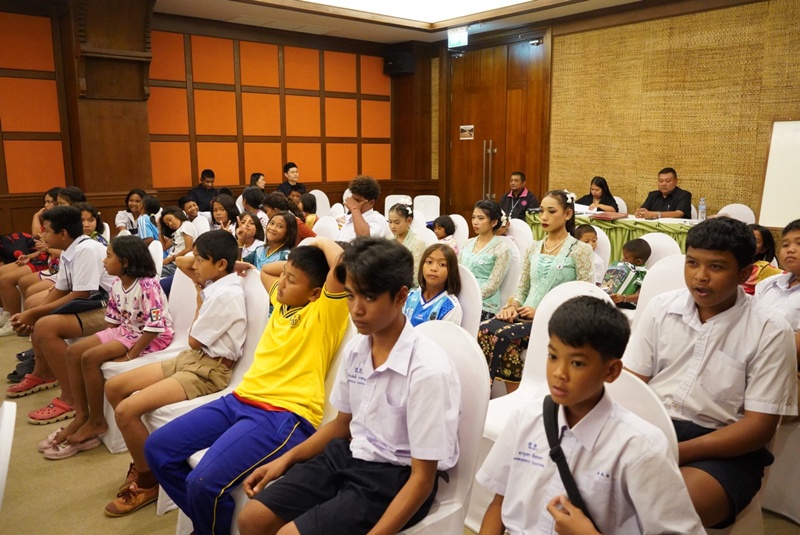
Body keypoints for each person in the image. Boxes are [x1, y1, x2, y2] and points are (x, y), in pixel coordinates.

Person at [237, 238, 460, 535]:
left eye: (369, 298)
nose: (356, 309)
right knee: (252, 518)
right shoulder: (357, 349)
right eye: (351, 296)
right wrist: (285, 460)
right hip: (350, 454)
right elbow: (342, 424)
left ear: (400, 296)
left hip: (396, 475)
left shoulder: (428, 370)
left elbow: (422, 479)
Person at [144, 237, 349, 535]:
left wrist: (318, 241)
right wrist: (290, 264)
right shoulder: (282, 301)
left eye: (292, 280)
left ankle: (206, 524)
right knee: (157, 448)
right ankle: (208, 521)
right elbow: (267, 270)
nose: (283, 282)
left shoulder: (324, 314)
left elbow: (343, 264)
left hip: (283, 414)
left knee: (202, 483)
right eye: (285, 276)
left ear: (315, 293)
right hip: (240, 399)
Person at [476, 296, 704, 535]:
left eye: (577, 363)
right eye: (553, 356)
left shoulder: (640, 448)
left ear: (611, 371)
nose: (559, 373)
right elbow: (499, 504)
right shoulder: (526, 418)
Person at [623, 217, 797, 528]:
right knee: (576, 476)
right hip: (654, 429)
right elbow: (632, 384)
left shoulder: (770, 329)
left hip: (724, 448)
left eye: (716, 267)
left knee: (663, 504)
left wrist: (676, 452)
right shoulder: (662, 308)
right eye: (692, 263)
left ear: (744, 273)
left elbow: (759, 428)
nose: (700, 276)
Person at [100, 230, 246, 516]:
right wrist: (227, 265)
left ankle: (147, 481)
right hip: (193, 358)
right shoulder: (216, 281)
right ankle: (142, 460)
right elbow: (180, 261)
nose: (195, 265)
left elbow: (193, 340)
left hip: (209, 370)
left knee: (127, 410)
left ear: (220, 265)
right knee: (114, 387)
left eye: (201, 260)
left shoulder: (226, 295)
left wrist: (200, 299)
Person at [37, 236, 174, 459]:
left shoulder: (148, 286)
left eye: (109, 256)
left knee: (90, 357)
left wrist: (130, 355)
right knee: (74, 352)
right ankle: (81, 415)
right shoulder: (118, 284)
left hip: (149, 335)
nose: (104, 261)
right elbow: (113, 320)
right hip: (127, 330)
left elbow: (154, 327)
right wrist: (105, 339)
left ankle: (97, 421)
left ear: (125, 262)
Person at [6, 206, 116, 428]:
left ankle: (72, 399)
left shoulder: (86, 250)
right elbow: (60, 289)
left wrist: (35, 314)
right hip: (93, 303)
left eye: (46, 230)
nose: (42, 234)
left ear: (63, 233)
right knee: (40, 316)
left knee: (46, 325)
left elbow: (80, 294)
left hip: (112, 310)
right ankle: (43, 373)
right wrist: (32, 314)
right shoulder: (69, 251)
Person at [478, 190, 593, 394]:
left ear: (567, 214)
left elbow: (586, 298)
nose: (544, 217)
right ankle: (486, 392)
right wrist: (512, 306)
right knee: (484, 329)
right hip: (524, 315)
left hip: (557, 320)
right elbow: (522, 288)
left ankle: (516, 396)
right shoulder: (533, 248)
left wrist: (541, 312)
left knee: (506, 337)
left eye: (551, 211)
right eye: (541, 211)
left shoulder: (580, 250)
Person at [754, 219, 800, 365]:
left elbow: (795, 351)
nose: (790, 249)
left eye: (799, 243)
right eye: (785, 244)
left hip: (779, 363)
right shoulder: (768, 283)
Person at [459, 200, 511, 321]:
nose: (475, 222)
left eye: (481, 218)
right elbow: (458, 271)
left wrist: (470, 296)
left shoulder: (502, 249)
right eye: (473, 217)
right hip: (460, 296)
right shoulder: (467, 243)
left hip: (485, 303)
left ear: (494, 222)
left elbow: (493, 285)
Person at [403, 243, 462, 327]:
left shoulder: (450, 307)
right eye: (429, 262)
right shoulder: (409, 297)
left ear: (451, 271)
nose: (433, 268)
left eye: (442, 264)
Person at [602, 238, 651, 309]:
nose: (623, 259)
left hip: (627, 303)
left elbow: (641, 296)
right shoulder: (623, 266)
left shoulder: (643, 273)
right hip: (611, 299)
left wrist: (624, 298)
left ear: (638, 261)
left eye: (626, 257)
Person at [338, 176, 390, 240]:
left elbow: (364, 237)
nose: (352, 203)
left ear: (371, 203)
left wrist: (355, 209)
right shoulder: (349, 217)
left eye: (357, 200)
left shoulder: (378, 219)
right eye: (352, 198)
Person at [388, 199, 426, 287]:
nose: (392, 226)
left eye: (397, 222)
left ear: (409, 221)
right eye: (390, 222)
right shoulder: (388, 239)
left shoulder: (417, 243)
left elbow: (416, 275)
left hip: (408, 285)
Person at [742, 223, 781, 295]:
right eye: (744, 238)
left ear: (763, 249)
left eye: (755, 241)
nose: (747, 243)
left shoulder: (763, 269)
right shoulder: (729, 263)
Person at [159, 206, 197, 278]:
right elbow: (163, 247)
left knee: (150, 272)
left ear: (177, 214)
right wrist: (160, 230)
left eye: (170, 219)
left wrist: (170, 259)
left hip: (177, 265)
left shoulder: (186, 225)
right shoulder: (176, 232)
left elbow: (189, 248)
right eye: (167, 224)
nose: (170, 224)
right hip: (171, 263)